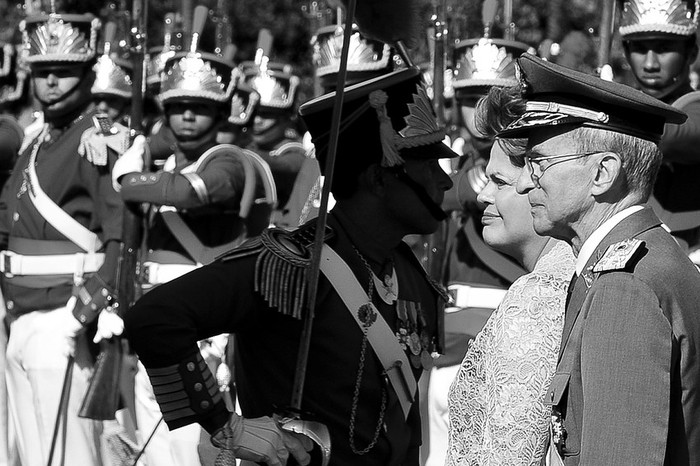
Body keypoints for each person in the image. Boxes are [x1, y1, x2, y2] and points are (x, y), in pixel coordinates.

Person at [125, 66, 456, 466]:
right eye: (429, 166)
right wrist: (225, 424)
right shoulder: (289, 263)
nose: (445, 181)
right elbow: (154, 317)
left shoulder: (405, 270)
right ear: (379, 178)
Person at [499, 53, 700, 465]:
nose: (522, 183)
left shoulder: (625, 287)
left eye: (538, 163)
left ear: (603, 173)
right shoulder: (648, 262)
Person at [112, 7, 274, 465]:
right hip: (152, 316)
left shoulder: (227, 159)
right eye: (178, 106)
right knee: (153, 447)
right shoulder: (157, 160)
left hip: (204, 325)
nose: (187, 117)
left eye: (200, 108)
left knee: (192, 447)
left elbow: (191, 192)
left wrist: (129, 180)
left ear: (220, 111)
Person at [0, 11, 127, 466]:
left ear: (88, 75)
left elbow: (121, 235)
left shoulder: (99, 140)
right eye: (42, 72)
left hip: (63, 319)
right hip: (21, 317)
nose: (51, 82)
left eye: (64, 71)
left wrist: (83, 310)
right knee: (34, 456)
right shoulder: (34, 144)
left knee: (70, 457)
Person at [422, 17, 533, 466]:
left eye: (493, 99)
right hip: (444, 332)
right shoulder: (448, 159)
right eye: (469, 98)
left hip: (511, 324)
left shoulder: (530, 162)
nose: (477, 112)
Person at [445, 85, 575, 466]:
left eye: (499, 182)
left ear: (540, 187)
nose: (484, 196)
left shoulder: (536, 297)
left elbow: (511, 454)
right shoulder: (575, 272)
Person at [619, 0, 700, 251]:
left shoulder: (693, 104)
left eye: (664, 49)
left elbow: (681, 134)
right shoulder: (624, 101)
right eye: (640, 49)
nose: (651, 63)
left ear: (692, 54)